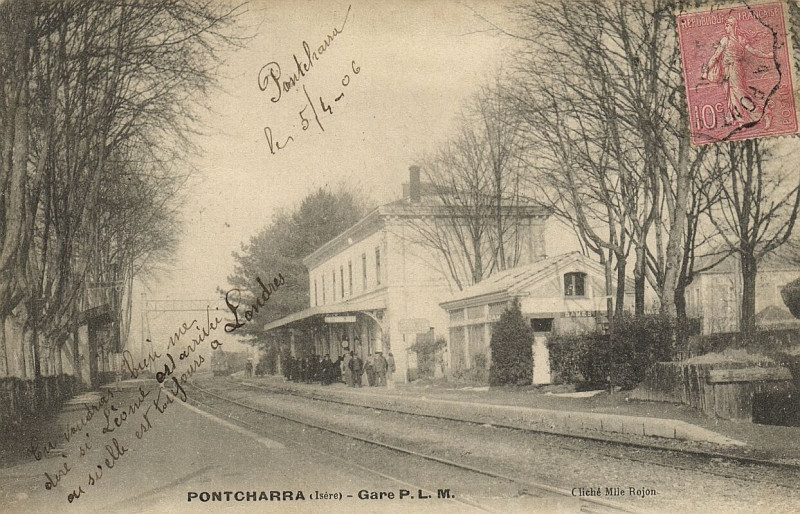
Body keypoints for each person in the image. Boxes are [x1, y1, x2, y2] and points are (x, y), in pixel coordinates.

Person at [702, 15, 774, 127]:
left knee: (740, 95)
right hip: (727, 71)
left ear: (733, 26)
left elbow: (753, 51)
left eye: (728, 25)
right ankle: (740, 120)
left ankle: (764, 113)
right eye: (725, 25)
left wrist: (767, 56)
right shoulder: (728, 40)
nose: (726, 27)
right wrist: (707, 69)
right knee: (732, 95)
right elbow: (716, 56)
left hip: (735, 70)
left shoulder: (736, 40)